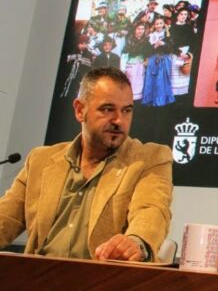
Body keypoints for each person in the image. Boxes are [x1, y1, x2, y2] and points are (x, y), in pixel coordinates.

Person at [0, 67, 173, 261]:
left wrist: (136, 241)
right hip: (37, 281)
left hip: (102, 284)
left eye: (126, 111)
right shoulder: (40, 160)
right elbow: (5, 219)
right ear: (80, 110)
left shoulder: (150, 159)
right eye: (108, 109)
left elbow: (152, 210)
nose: (119, 120)